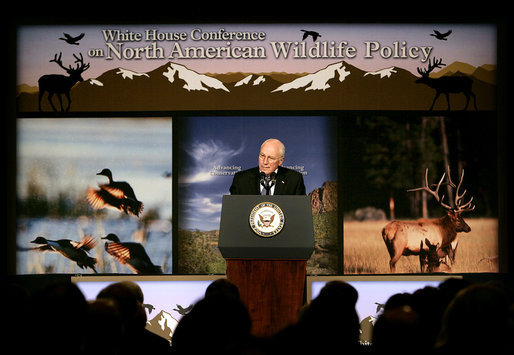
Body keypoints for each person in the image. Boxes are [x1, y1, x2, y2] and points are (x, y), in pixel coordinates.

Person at [229, 138, 306, 195]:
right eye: (262, 156)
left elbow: (299, 211)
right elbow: (233, 210)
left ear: (280, 161)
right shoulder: (241, 179)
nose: (265, 162)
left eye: (271, 158)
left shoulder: (294, 180)